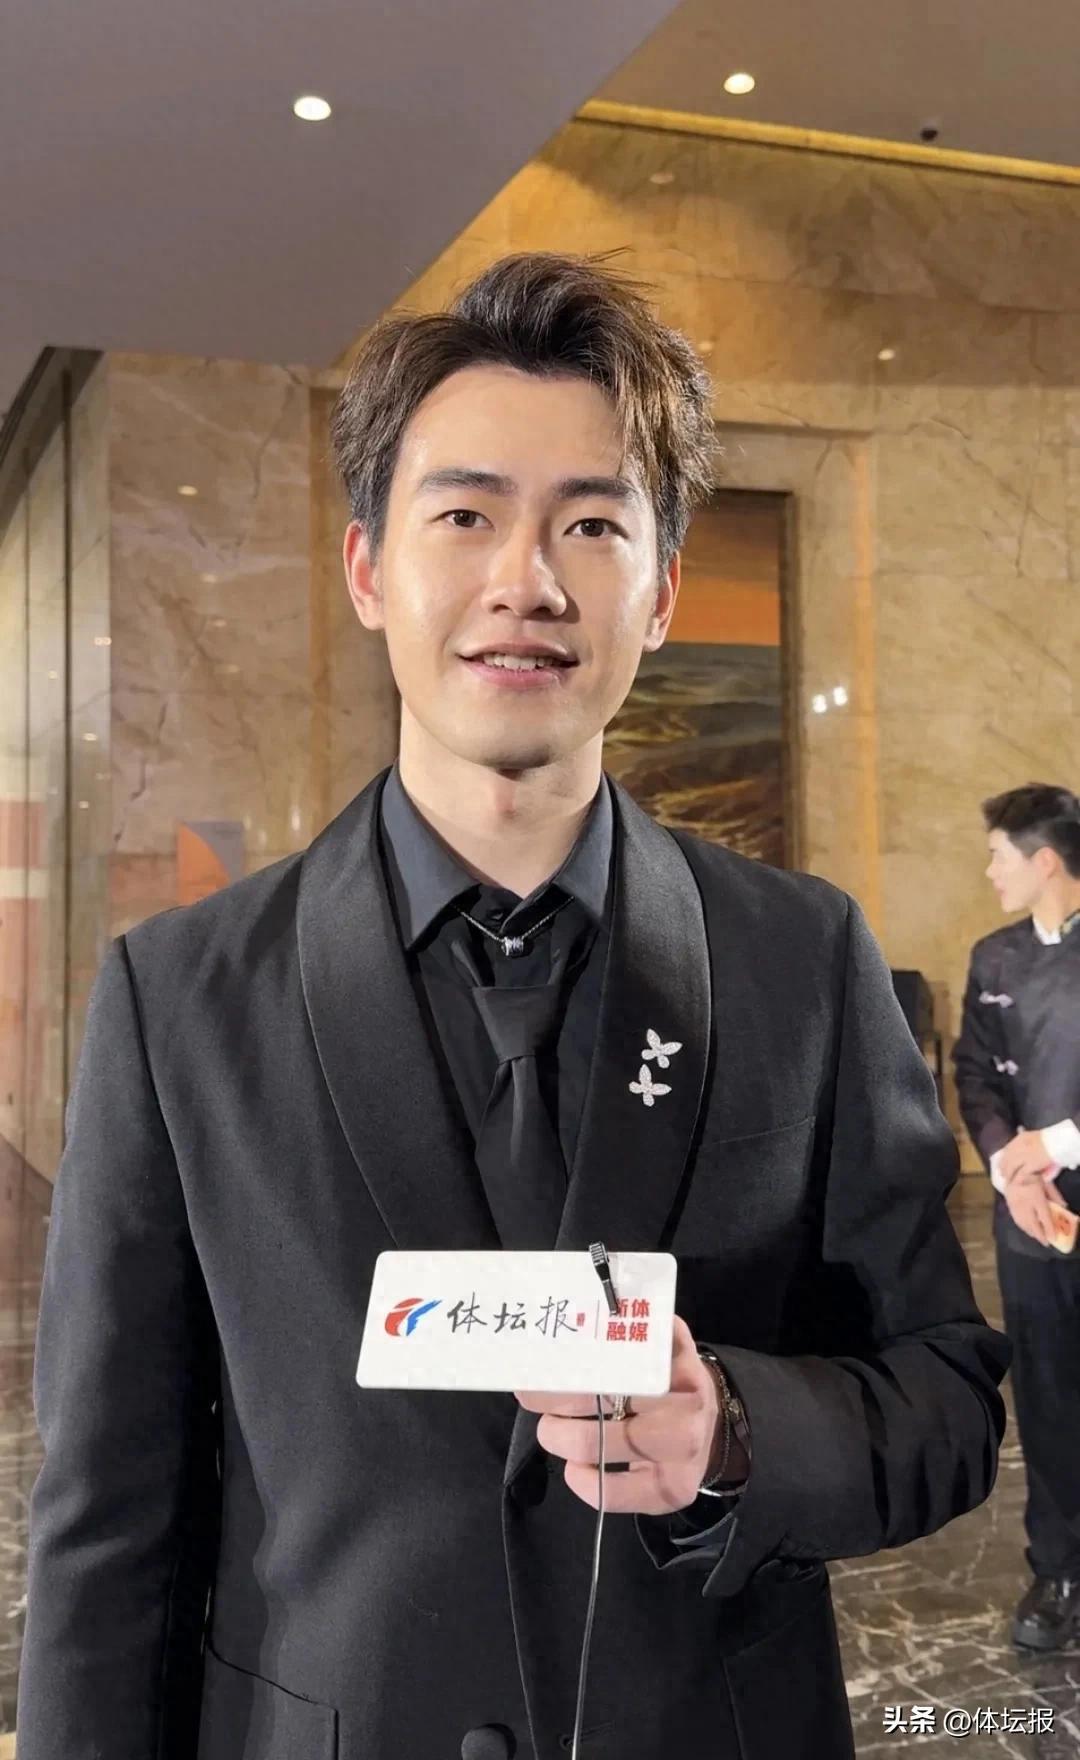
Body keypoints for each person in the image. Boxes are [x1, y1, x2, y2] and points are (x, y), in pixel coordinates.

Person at [20, 253, 1008, 1760]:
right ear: (369, 568)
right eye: (466, 514)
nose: (526, 581)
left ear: (659, 593)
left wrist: (738, 1429)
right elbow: (107, 1526)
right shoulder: (183, 1000)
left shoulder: (801, 960)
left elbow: (945, 1396)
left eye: (591, 524)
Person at [954, 783, 1080, 1653]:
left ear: (1046, 862)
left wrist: (1059, 1143)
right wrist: (1012, 1171)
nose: (990, 871)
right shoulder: (993, 958)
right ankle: (1059, 1569)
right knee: (1047, 1394)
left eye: (1000, 856)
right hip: (1032, 1221)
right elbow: (975, 1076)